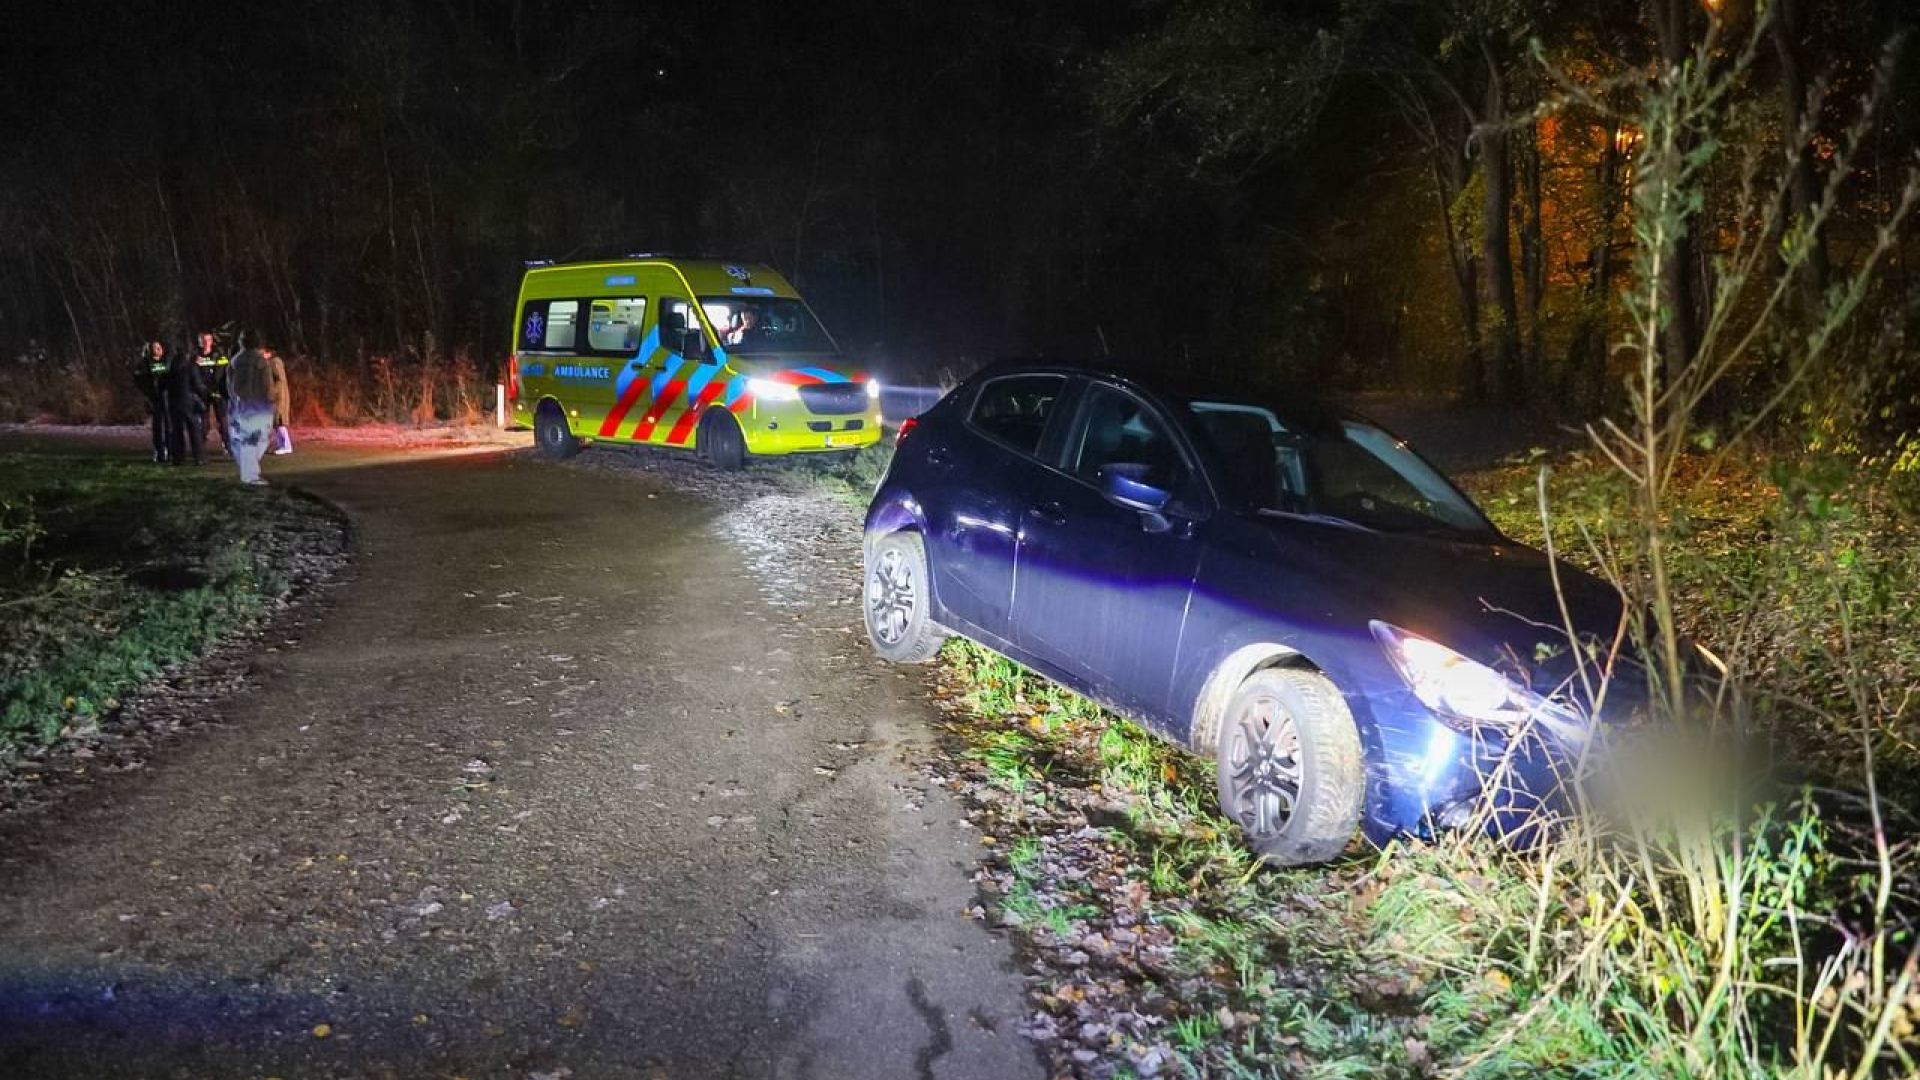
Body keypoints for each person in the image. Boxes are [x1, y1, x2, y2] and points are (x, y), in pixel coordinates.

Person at [225, 336, 284, 486]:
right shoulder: (260, 361)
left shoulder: (234, 361)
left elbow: (230, 385)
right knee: (258, 439)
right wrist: (271, 399)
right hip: (259, 406)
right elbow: (267, 385)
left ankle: (247, 467)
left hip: (242, 406)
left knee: (248, 440)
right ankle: (250, 474)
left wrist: (235, 400)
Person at [164, 336, 209, 466]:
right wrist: (205, 393)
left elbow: (164, 385)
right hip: (189, 402)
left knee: (177, 431)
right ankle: (199, 457)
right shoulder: (190, 367)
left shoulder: (170, 368)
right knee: (194, 430)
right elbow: (197, 385)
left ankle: (178, 457)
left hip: (174, 403)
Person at [189, 331, 232, 456]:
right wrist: (200, 389)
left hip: (218, 392)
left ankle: (227, 446)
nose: (206, 343)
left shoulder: (219, 355)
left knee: (222, 420)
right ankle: (200, 447)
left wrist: (221, 390)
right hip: (202, 393)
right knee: (203, 421)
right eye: (203, 340)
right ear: (199, 341)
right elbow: (193, 375)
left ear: (212, 341)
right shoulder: (195, 357)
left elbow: (224, 373)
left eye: (208, 340)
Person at [133, 340, 173, 462]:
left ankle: (170, 449)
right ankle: (159, 449)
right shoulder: (146, 364)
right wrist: (148, 394)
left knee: (169, 424)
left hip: (167, 398)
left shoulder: (167, 362)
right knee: (158, 425)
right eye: (155, 347)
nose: (158, 349)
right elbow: (139, 380)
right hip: (154, 399)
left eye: (159, 347)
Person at [268, 349, 293, 454]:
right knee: (276, 422)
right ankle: (281, 445)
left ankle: (286, 445)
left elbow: (278, 382)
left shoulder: (274, 363)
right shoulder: (272, 363)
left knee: (280, 421)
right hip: (277, 398)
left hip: (279, 398)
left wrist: (273, 393)